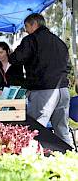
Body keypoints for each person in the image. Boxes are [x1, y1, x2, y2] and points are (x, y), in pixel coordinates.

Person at [8, 13, 73, 146]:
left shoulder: (31, 40)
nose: (25, 30)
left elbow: (16, 59)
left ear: (34, 24)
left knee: (36, 130)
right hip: (63, 90)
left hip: (43, 90)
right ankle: (72, 160)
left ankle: (35, 162)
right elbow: (68, 65)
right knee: (62, 129)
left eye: (26, 26)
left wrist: (13, 53)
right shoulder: (59, 41)